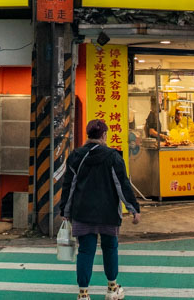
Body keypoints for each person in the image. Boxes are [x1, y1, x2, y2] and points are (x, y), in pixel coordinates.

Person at [58, 119, 142, 300]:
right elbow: (122, 185)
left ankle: (83, 294)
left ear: (88, 135)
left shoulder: (76, 156)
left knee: (85, 251)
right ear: (104, 135)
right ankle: (112, 288)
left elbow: (69, 186)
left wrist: (65, 210)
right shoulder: (113, 157)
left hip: (82, 213)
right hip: (108, 213)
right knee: (110, 248)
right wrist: (133, 209)